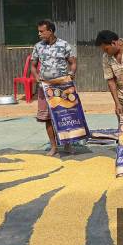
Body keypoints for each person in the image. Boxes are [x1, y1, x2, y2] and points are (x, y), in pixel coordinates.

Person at [30, 19, 77, 156]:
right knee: (47, 118)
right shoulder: (38, 46)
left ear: (50, 31)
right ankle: (54, 147)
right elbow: (33, 65)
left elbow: (73, 63)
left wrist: (71, 73)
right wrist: (36, 77)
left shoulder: (64, 45)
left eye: (41, 31)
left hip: (62, 86)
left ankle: (68, 145)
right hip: (45, 87)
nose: (39, 34)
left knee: (65, 116)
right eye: (38, 31)